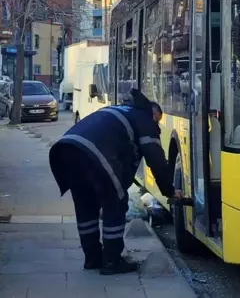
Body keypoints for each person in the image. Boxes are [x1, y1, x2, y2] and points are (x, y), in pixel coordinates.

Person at [49, 88, 182, 275]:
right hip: (94, 154)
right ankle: (112, 261)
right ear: (153, 113)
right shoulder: (144, 119)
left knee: (86, 205)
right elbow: (156, 160)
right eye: (158, 120)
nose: (157, 125)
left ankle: (92, 258)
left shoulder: (119, 110)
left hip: (65, 150)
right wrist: (169, 191)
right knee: (115, 202)